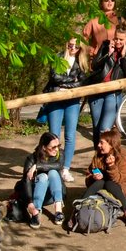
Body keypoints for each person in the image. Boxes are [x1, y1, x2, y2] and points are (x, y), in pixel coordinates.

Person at [39, 38, 89, 185]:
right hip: (56, 98)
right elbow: (54, 77)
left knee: (70, 135)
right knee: (54, 136)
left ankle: (65, 168)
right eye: (70, 45)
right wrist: (71, 82)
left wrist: (66, 85)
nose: (72, 48)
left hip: (72, 101)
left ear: (81, 48)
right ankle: (53, 167)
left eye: (76, 46)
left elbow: (82, 81)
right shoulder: (58, 57)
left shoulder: (82, 61)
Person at [89, 23, 126, 142]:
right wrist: (108, 54)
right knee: (96, 128)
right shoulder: (106, 45)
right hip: (97, 90)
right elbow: (94, 66)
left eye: (121, 39)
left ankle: (108, 155)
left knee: (104, 129)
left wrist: (123, 56)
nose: (117, 41)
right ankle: (98, 156)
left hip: (113, 92)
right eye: (116, 38)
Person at [78, 128, 126, 227]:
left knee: (109, 183)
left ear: (111, 144)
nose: (98, 145)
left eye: (101, 143)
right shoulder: (99, 155)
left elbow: (118, 179)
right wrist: (93, 177)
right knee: (100, 182)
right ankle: (78, 207)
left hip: (121, 188)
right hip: (100, 186)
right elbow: (89, 175)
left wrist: (112, 166)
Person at [17, 133, 64, 227]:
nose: (57, 149)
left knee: (53, 173)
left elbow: (59, 165)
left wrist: (37, 166)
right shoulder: (31, 158)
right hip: (36, 195)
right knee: (43, 177)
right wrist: (30, 203)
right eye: (53, 147)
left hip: (53, 195)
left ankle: (58, 209)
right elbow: (26, 181)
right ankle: (37, 211)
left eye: (58, 146)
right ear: (44, 147)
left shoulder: (60, 154)